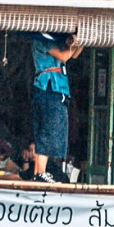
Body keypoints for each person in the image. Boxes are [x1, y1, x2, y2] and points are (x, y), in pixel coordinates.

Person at [29, 33, 83, 179]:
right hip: (48, 87)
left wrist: (81, 42)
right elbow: (65, 56)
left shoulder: (53, 41)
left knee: (50, 132)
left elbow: (74, 54)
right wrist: (73, 45)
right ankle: (40, 173)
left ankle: (39, 173)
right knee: (47, 131)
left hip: (57, 89)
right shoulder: (40, 39)